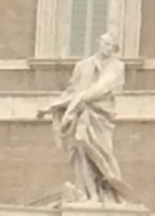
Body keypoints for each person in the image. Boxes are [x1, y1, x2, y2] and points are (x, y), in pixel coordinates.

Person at [38, 32, 131, 203]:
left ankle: (113, 190)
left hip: (101, 116)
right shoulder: (82, 66)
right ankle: (89, 194)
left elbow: (103, 87)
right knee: (82, 154)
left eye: (111, 45)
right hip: (81, 116)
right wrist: (51, 106)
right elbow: (71, 91)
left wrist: (79, 99)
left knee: (105, 153)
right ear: (99, 44)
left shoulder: (117, 67)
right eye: (105, 44)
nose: (108, 48)